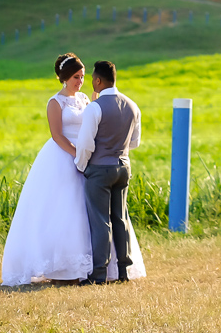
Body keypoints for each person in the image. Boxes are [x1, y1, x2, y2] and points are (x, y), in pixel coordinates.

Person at [1, 54, 146, 286]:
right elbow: (57, 135)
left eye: (82, 76)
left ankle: (98, 267)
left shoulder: (87, 101)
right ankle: (63, 268)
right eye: (76, 77)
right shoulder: (55, 103)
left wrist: (89, 156)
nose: (81, 81)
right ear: (64, 78)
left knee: (94, 214)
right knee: (65, 211)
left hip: (90, 158)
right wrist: (78, 156)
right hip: (64, 155)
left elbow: (95, 129)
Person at [75, 60, 142, 285]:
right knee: (120, 218)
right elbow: (135, 143)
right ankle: (123, 271)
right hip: (123, 166)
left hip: (100, 169)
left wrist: (82, 165)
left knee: (100, 221)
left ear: (97, 80)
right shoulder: (133, 105)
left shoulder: (95, 108)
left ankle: (99, 273)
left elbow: (86, 144)